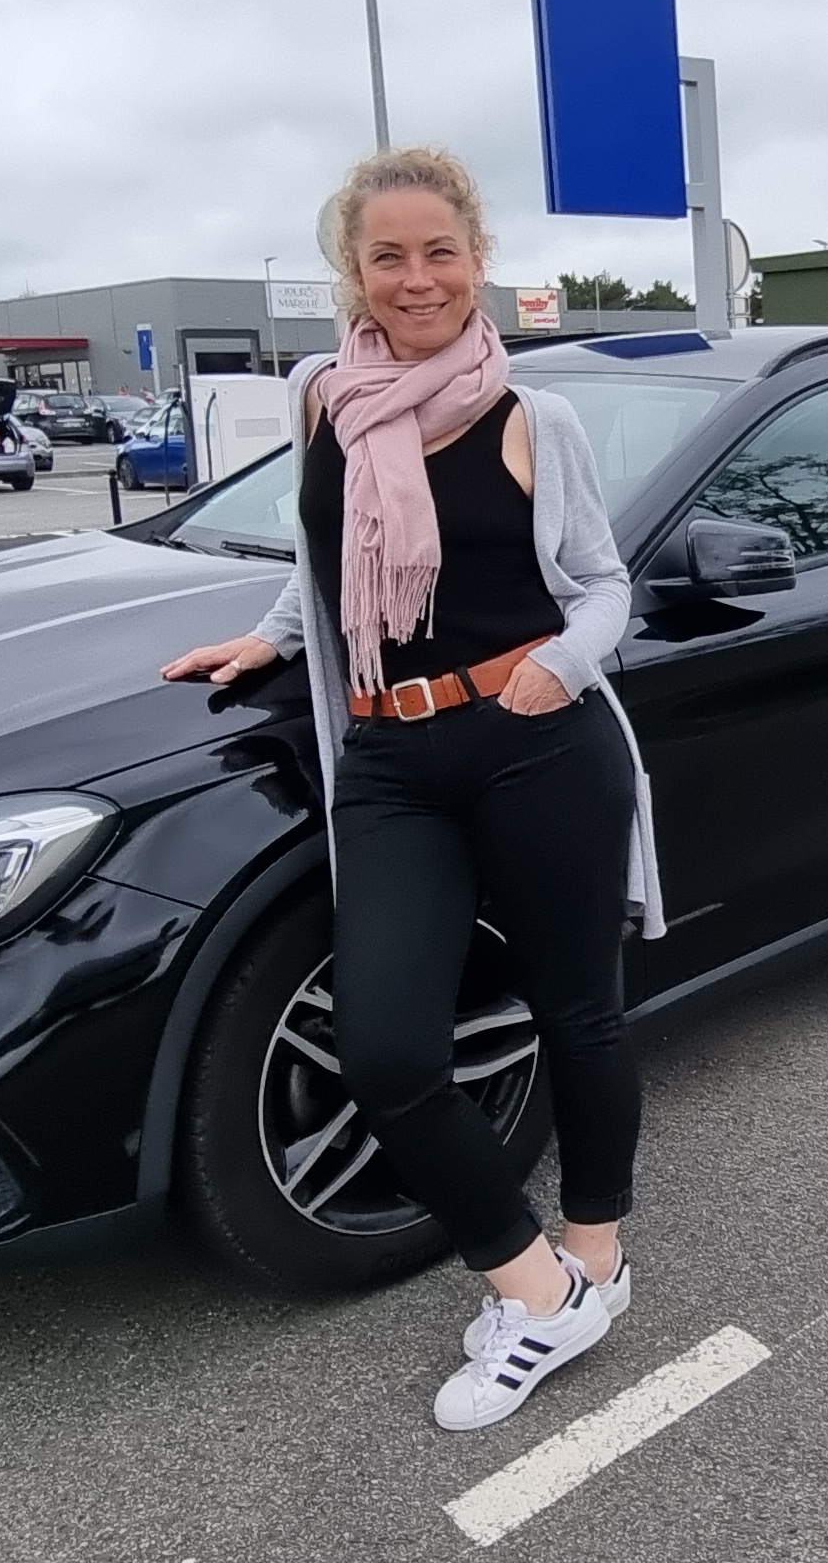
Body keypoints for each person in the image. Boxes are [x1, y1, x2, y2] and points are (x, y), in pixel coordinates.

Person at [162, 146, 664, 1433]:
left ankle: (597, 1256)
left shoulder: (533, 417)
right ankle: (538, 1286)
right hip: (390, 758)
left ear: (478, 260)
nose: (418, 277)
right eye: (388, 255)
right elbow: (326, 556)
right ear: (354, 270)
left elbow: (606, 584)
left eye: (441, 251)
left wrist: (558, 669)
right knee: (387, 1049)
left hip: (536, 737)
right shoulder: (323, 397)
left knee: (578, 1012)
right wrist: (270, 639)